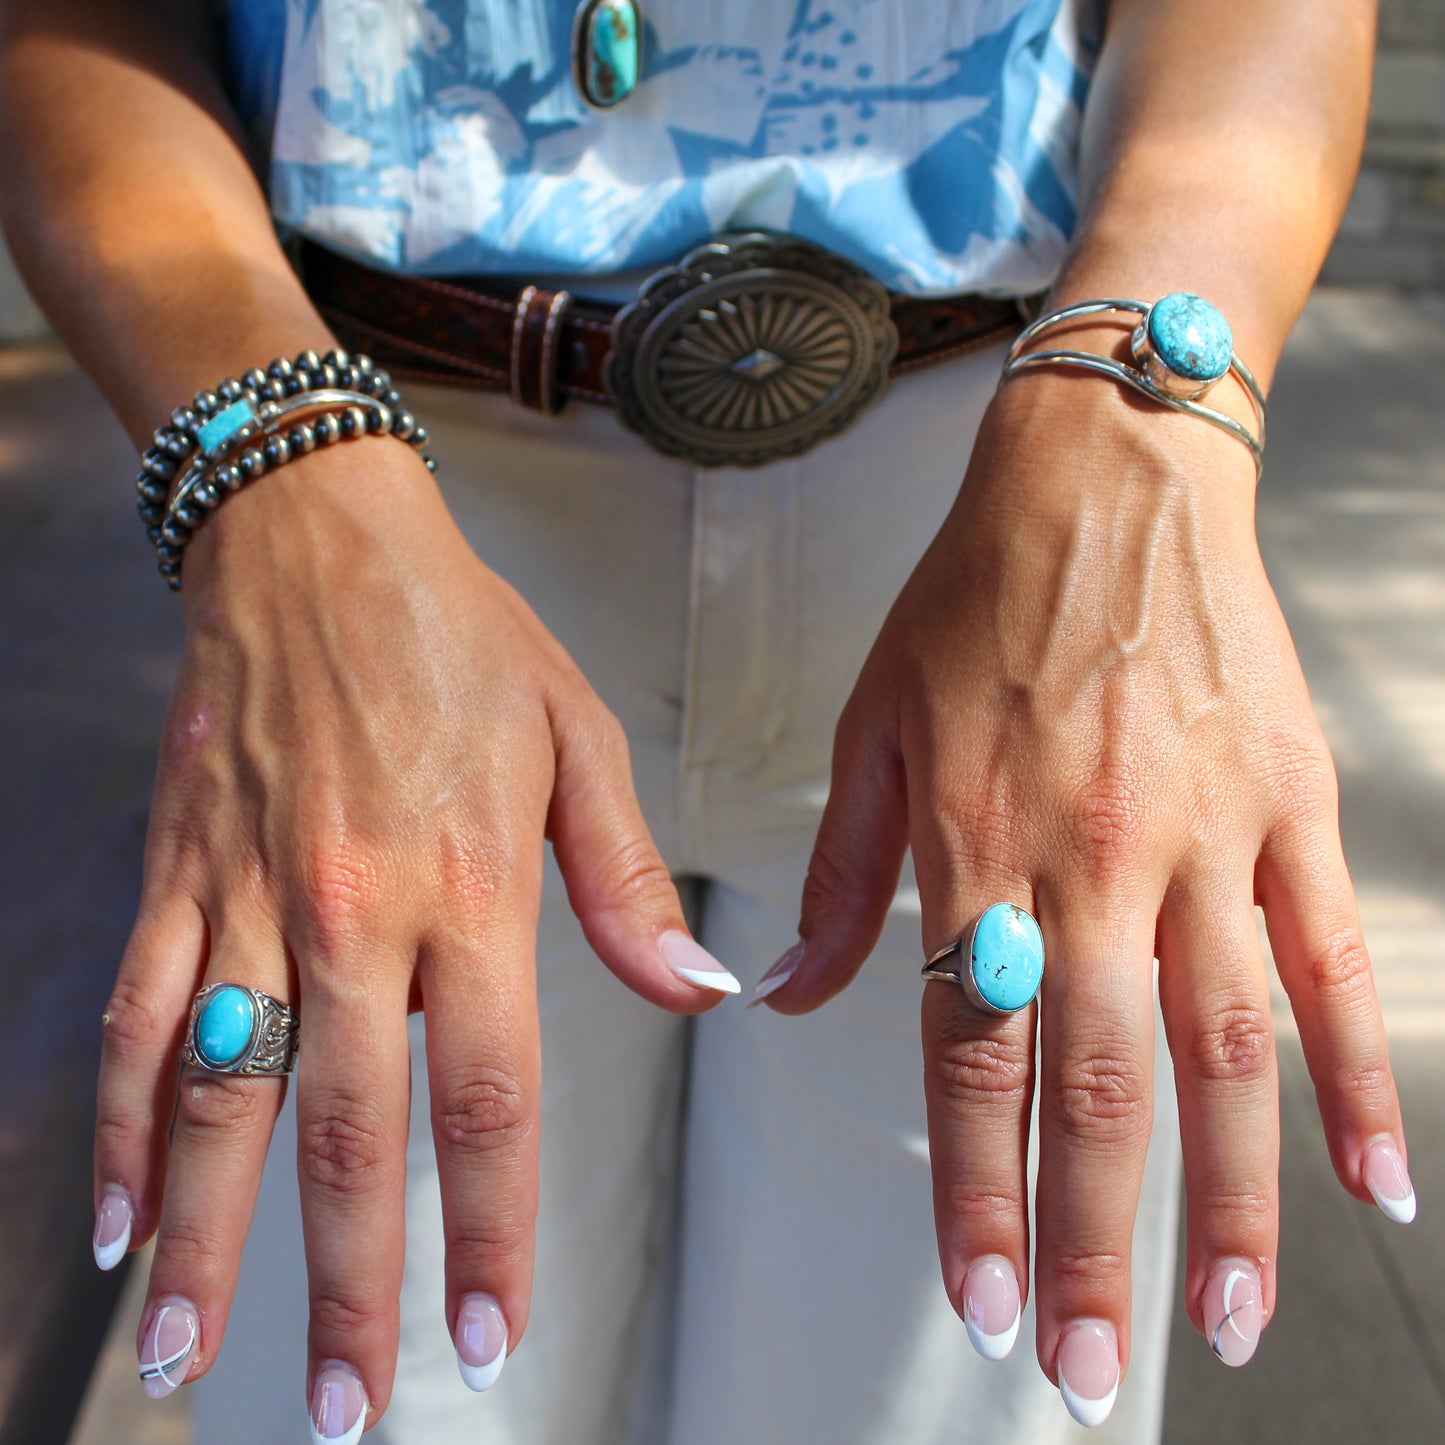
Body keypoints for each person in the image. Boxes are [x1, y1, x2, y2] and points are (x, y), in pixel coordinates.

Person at [0, 1, 1416, 1442]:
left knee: (952, 1391)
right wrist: (263, 469)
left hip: (1008, 519)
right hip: (371, 512)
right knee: (374, 1380)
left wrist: (1148, 411)